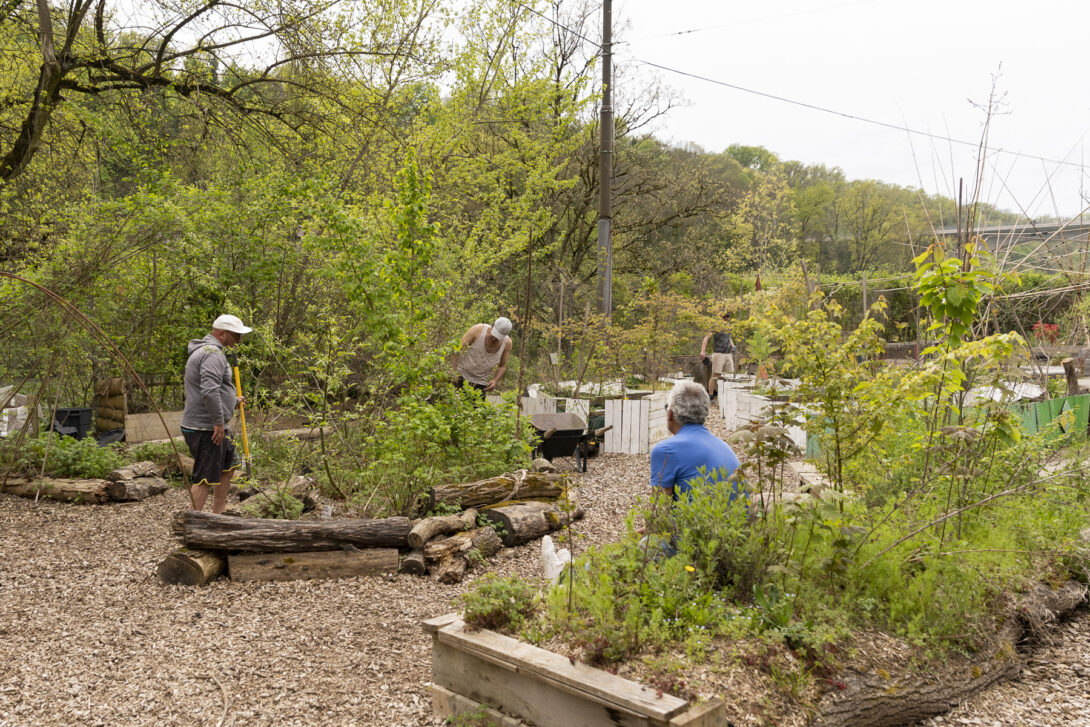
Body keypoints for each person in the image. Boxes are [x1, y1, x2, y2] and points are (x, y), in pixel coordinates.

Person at [645, 381, 742, 556]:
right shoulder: (725, 448)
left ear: (670, 414)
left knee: (642, 548)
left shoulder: (665, 450)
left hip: (692, 548)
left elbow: (659, 519)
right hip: (733, 546)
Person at [181, 314, 251, 514]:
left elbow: (215, 390)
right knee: (205, 476)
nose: (239, 340)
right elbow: (209, 391)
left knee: (228, 466)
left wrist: (232, 402)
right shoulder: (212, 354)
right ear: (222, 334)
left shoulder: (211, 352)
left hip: (214, 424)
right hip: (207, 427)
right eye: (236, 336)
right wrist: (219, 422)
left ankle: (218, 516)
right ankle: (191, 522)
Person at [455, 317, 513, 393]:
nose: (494, 339)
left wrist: (495, 380)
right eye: (494, 335)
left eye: (498, 337)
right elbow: (456, 351)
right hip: (460, 376)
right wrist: (454, 373)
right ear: (492, 326)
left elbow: (502, 366)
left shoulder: (507, 343)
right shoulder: (477, 330)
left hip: (480, 383)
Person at [699, 313, 736, 398]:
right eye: (725, 317)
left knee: (729, 374)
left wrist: (733, 346)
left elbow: (729, 338)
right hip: (718, 354)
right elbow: (706, 338)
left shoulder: (729, 326)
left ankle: (727, 395)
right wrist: (702, 352)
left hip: (728, 354)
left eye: (728, 317)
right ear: (720, 317)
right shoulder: (715, 326)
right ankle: (711, 395)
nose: (726, 318)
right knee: (715, 374)